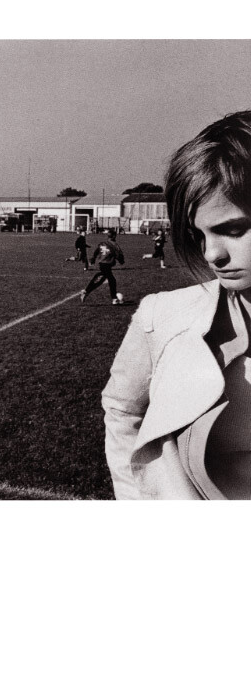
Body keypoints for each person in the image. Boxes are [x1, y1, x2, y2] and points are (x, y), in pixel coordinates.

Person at [103, 110, 251, 499]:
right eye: (198, 235)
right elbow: (122, 412)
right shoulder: (161, 317)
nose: (212, 254)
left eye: (233, 229)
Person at [80, 230, 125, 304]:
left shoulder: (102, 243)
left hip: (102, 263)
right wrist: (121, 261)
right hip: (106, 264)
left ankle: (86, 291)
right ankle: (114, 299)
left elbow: (96, 251)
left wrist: (93, 258)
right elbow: (119, 255)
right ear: (114, 236)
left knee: (103, 277)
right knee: (111, 280)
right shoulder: (115, 245)